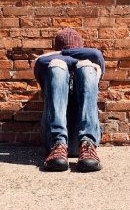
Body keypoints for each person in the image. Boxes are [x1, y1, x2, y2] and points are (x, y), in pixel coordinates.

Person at [33, 28, 105, 172]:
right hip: (54, 143)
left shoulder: (91, 67)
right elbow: (41, 61)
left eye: (74, 52)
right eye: (64, 52)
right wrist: (64, 60)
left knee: (86, 68)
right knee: (57, 67)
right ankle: (59, 144)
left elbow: (96, 55)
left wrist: (64, 55)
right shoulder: (50, 69)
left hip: (85, 144)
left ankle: (87, 144)